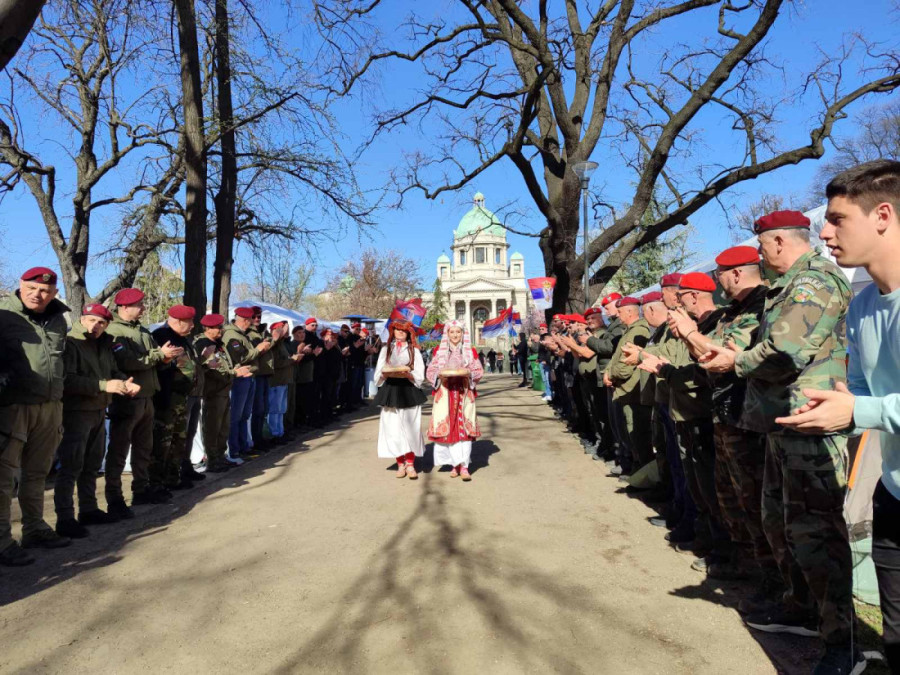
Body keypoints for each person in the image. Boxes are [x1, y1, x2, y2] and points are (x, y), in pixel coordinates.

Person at [699, 210, 857, 673]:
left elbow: (788, 347)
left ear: (781, 242)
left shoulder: (815, 282)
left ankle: (843, 642)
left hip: (810, 423)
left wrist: (737, 362)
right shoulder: (788, 287)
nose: (761, 255)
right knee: (781, 525)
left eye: (764, 246)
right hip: (783, 423)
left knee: (817, 535)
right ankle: (802, 608)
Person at [777, 161, 900, 673]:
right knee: (896, 639)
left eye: (836, 219)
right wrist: (833, 410)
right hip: (893, 496)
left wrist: (859, 409)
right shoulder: (863, 303)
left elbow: (868, 403)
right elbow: (863, 391)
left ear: (883, 216)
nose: (824, 232)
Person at [0, 267, 70, 565]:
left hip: (51, 406)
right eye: (31, 287)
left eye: (44, 290)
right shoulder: (4, 315)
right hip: (13, 406)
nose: (37, 294)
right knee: (3, 478)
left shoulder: (59, 319)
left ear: (54, 292)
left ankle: (35, 528)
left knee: (38, 473)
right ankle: (2, 540)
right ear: (20, 285)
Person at [55, 303, 139, 539]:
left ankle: (89, 509)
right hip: (76, 412)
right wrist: (105, 386)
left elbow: (113, 371)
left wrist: (125, 381)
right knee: (71, 466)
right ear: (82, 319)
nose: (96, 326)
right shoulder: (71, 343)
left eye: (101, 322)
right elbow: (67, 381)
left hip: (98, 410)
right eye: (91, 320)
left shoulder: (103, 344)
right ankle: (64, 517)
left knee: (92, 465)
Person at [106, 288, 182, 510]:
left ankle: (141, 488)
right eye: (139, 305)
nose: (143, 308)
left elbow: (150, 360)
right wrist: (159, 355)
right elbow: (128, 361)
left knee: (143, 448)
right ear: (124, 307)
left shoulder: (142, 330)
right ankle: (114, 496)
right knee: (120, 449)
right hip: (128, 399)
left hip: (148, 395)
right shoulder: (114, 331)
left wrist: (164, 359)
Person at [152, 304, 203, 491]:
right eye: (189, 322)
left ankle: (173, 478)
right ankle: (157, 482)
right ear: (178, 321)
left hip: (182, 397)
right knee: (162, 441)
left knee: (178, 439)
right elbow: (159, 366)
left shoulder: (183, 339)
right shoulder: (161, 336)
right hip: (166, 396)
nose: (192, 326)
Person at [426, 320, 485, 481]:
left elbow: (478, 370)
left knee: (464, 428)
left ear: (462, 334)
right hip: (445, 393)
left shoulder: (470, 351)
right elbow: (430, 370)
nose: (455, 335)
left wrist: (468, 373)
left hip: (464, 392)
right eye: (452, 332)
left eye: (458, 332)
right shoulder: (439, 351)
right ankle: (454, 464)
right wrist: (438, 374)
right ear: (447, 334)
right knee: (449, 428)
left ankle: (464, 465)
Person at [194, 313, 248, 473]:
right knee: (212, 427)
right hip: (213, 391)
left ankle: (220, 456)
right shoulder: (203, 344)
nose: (221, 330)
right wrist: (234, 374)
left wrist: (233, 371)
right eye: (218, 327)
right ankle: (212, 459)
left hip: (223, 390)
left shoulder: (218, 344)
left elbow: (224, 364)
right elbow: (213, 369)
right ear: (208, 328)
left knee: (223, 427)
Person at [373, 320, 427, 479]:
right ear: (393, 332)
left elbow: (420, 374)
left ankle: (410, 463)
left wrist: (409, 374)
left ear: (409, 333)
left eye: (404, 330)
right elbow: (379, 372)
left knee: (411, 428)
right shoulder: (386, 350)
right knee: (393, 429)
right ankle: (400, 464)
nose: (400, 332)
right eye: (397, 329)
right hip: (390, 391)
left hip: (409, 390)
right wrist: (384, 374)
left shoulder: (414, 351)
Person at [223, 307, 271, 460]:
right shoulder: (231, 334)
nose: (252, 323)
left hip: (250, 377)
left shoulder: (242, 335)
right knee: (236, 416)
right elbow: (241, 357)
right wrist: (258, 349)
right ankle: (234, 449)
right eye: (251, 320)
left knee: (244, 415)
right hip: (239, 378)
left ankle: (244, 446)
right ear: (245, 320)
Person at [267, 321, 295, 444]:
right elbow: (276, 363)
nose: (286, 332)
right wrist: (291, 360)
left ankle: (280, 432)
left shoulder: (282, 344)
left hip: (283, 380)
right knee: (275, 409)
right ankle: (275, 434)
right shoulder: (273, 345)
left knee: (281, 409)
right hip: (276, 381)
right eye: (284, 329)